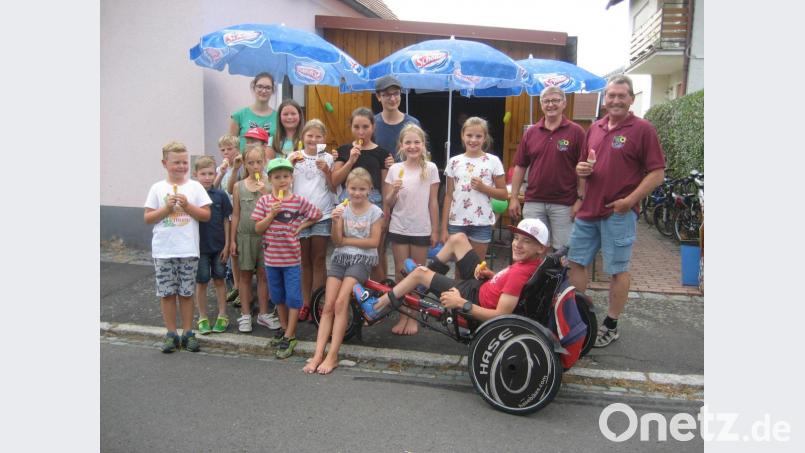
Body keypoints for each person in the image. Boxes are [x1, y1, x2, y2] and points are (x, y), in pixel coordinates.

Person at [569, 75, 665, 348]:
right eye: (611, 96)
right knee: (575, 262)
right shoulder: (596, 128)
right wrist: (581, 173)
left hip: (619, 213)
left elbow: (657, 173)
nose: (615, 101)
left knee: (616, 270)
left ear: (631, 99)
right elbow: (583, 165)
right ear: (604, 99)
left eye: (621, 96)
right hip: (589, 210)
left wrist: (630, 200)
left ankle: (610, 325)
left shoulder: (643, 129)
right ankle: (578, 318)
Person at [357, 218, 550, 325]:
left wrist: (462, 304)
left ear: (541, 248)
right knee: (458, 238)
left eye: (527, 241)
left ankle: (375, 308)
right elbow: (509, 283)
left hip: (471, 297)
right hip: (480, 285)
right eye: (516, 238)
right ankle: (423, 285)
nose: (518, 244)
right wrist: (493, 276)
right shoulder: (530, 264)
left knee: (418, 273)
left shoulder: (519, 273)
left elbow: (500, 315)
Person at [303, 168, 383, 375]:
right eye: (353, 188)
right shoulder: (342, 208)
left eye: (362, 189)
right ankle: (318, 353)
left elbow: (373, 242)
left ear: (369, 190)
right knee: (328, 305)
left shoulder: (375, 212)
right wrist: (336, 222)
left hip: (362, 260)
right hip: (340, 258)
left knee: (341, 303)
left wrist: (347, 240)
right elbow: (336, 241)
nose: (357, 193)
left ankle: (333, 355)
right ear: (346, 189)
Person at [144, 141, 212, 352]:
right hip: (164, 249)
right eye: (176, 162)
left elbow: (206, 215)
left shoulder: (195, 187)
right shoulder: (157, 188)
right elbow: (148, 218)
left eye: (184, 162)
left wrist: (187, 206)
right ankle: (171, 333)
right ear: (165, 163)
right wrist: (166, 208)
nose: (181, 166)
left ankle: (188, 332)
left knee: (186, 293)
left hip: (187, 249)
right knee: (166, 293)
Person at [253, 158, 322, 359]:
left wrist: (302, 226)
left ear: (292, 178)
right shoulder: (264, 201)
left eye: (285, 176)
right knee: (278, 298)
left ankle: (291, 335)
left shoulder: (297, 201)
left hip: (291, 260)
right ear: (270, 179)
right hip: (272, 260)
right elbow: (258, 228)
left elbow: (316, 214)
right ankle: (283, 329)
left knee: (293, 298)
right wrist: (270, 215)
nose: (282, 180)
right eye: (277, 177)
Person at [508, 86, 586, 250]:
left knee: (562, 252)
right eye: (546, 101)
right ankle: (537, 277)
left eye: (555, 100)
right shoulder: (531, 132)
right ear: (541, 104)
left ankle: (558, 278)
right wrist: (514, 197)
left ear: (564, 103)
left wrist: (580, 199)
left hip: (564, 204)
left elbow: (583, 170)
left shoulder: (576, 132)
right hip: (534, 201)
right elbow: (520, 166)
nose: (551, 104)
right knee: (533, 249)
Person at [384, 124, 440, 335]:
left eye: (417, 142)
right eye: (408, 142)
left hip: (421, 228)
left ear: (423, 145)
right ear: (401, 145)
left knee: (417, 272)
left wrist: (434, 230)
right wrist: (394, 191)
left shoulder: (431, 168)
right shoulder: (394, 169)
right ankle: (403, 315)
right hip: (399, 226)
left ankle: (414, 316)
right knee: (401, 273)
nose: (413, 146)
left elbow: (433, 202)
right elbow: (388, 203)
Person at [441, 116, 508, 277]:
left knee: (477, 268)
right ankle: (457, 300)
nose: (473, 140)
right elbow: (449, 195)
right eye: (469, 135)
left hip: (481, 222)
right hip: (457, 221)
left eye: (478, 136)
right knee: (459, 268)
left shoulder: (493, 161)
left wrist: (484, 188)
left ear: (485, 138)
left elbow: (504, 194)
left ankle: (471, 300)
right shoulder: (454, 161)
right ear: (462, 136)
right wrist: (443, 227)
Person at [331, 107, 392, 282]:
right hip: (348, 206)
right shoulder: (343, 150)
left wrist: (386, 213)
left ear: (373, 127)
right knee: (348, 253)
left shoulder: (382, 153)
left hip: (374, 206)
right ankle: (353, 291)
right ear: (351, 127)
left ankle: (380, 295)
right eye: (356, 127)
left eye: (365, 127)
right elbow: (335, 181)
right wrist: (350, 160)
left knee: (375, 256)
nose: (361, 132)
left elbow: (384, 186)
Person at [288, 119, 335, 322]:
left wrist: (326, 170)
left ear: (323, 139)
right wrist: (289, 165)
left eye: (318, 136)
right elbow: (283, 181)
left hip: (322, 213)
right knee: (304, 262)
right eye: (310, 135)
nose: (313, 140)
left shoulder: (328, 158)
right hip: (299, 216)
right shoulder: (293, 157)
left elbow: (333, 186)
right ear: (303, 137)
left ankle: (319, 303)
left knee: (318, 260)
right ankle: (305, 303)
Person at [229, 144, 274, 333]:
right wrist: (232, 240)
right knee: (245, 276)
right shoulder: (239, 186)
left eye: (258, 162)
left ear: (265, 161)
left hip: (266, 237)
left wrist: (267, 192)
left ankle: (263, 314)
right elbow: (236, 215)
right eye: (251, 163)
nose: (255, 166)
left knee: (264, 276)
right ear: (245, 164)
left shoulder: (271, 184)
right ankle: (246, 315)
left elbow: (277, 207)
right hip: (245, 237)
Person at [192, 156, 233, 334]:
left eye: (211, 173)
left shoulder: (220, 195)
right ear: (196, 175)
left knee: (219, 280)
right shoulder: (191, 196)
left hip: (218, 247)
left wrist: (227, 245)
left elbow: (226, 220)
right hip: (199, 248)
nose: (208, 177)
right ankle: (202, 316)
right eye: (203, 174)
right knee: (201, 282)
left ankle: (223, 314)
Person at [212, 134, 242, 305]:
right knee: (232, 253)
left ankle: (240, 287)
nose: (226, 153)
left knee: (236, 252)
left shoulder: (241, 167)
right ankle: (236, 286)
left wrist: (234, 169)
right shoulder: (221, 169)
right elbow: (213, 189)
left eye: (229, 149)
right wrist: (221, 173)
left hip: (237, 214)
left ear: (237, 149)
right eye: (223, 149)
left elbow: (233, 191)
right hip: (225, 216)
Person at [373, 75, 420, 166]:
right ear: (378, 97)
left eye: (396, 93)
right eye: (387, 94)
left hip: (406, 177)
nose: (393, 98)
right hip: (380, 178)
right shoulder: (372, 124)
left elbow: (420, 156)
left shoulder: (413, 123)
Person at [230, 72, 277, 152]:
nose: (264, 91)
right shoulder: (239, 116)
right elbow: (230, 145)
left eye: (268, 88)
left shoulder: (278, 117)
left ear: (272, 91)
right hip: (244, 163)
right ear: (254, 87)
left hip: (269, 163)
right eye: (260, 86)